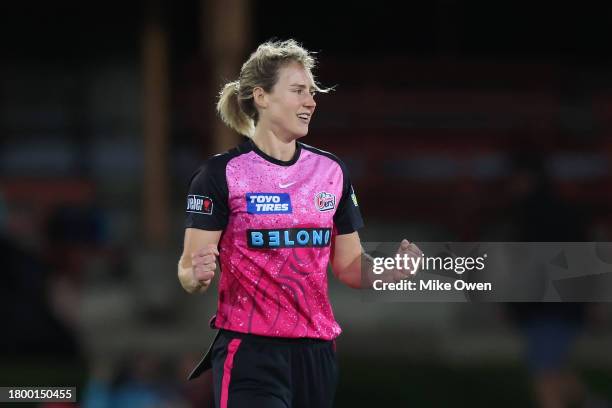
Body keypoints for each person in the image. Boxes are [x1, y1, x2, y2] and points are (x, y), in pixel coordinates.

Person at [177, 39, 421, 408]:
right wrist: (196, 275)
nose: (311, 101)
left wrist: (391, 270)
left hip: (316, 354)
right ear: (261, 96)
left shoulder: (331, 172)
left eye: (312, 92)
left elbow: (350, 266)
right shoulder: (219, 175)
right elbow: (188, 271)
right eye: (298, 91)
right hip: (250, 353)